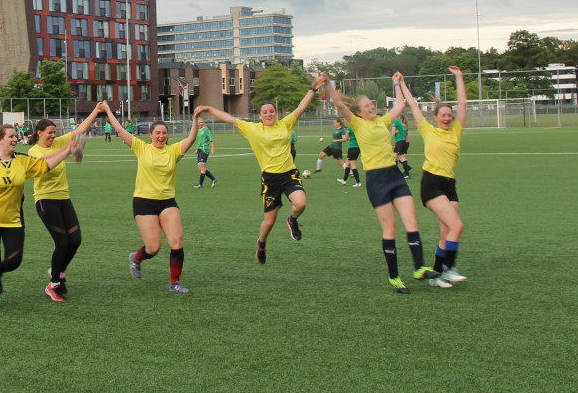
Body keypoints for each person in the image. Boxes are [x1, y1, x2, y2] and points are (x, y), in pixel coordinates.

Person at [324, 73, 435, 294]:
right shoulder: (356, 124)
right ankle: (394, 277)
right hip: (376, 180)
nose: (371, 106)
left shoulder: (383, 121)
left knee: (411, 221)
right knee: (390, 229)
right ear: (358, 112)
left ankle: (419, 267)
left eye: (371, 103)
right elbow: (338, 102)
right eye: (366, 105)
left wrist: (397, 84)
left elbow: (401, 104)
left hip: (394, 176)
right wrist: (327, 83)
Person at [197, 74, 326, 265]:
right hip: (270, 179)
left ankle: (292, 220)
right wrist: (210, 109)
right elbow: (230, 119)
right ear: (259, 116)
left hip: (289, 174)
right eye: (265, 112)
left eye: (271, 111)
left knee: (300, 204)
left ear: (276, 113)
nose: (269, 114)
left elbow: (301, 107)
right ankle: (262, 243)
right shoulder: (253, 129)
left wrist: (313, 88)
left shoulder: (285, 124)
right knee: (269, 222)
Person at [0, 124, 77, 311]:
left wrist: (67, 150)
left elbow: (45, 166)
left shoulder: (22, 160)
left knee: (14, 261)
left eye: (16, 136)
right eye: (11, 136)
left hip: (13, 219)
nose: (15, 139)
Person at [102, 104, 198, 294]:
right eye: (158, 133)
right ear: (151, 135)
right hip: (144, 201)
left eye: (164, 133)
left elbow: (191, 138)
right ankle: (137, 258)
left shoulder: (173, 151)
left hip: (167, 202)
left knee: (177, 242)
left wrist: (195, 117)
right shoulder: (141, 147)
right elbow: (120, 129)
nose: (161, 136)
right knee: (153, 248)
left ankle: (174, 283)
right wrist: (107, 110)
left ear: (167, 135)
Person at [396, 67, 469, 288]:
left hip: (449, 184)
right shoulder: (428, 130)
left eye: (449, 115)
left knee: (447, 231)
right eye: (443, 115)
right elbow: (414, 106)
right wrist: (401, 83)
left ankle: (436, 276)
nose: (447, 118)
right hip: (431, 183)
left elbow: (463, 104)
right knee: (457, 226)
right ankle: (449, 269)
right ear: (436, 117)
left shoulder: (456, 130)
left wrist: (459, 77)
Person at [29, 105, 106, 301]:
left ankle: (58, 271)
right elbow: (45, 162)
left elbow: (80, 130)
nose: (53, 136)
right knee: (62, 242)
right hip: (45, 200)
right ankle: (53, 284)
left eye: (55, 133)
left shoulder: (58, 142)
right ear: (39, 133)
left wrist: (96, 111)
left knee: (75, 240)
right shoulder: (33, 151)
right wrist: (67, 149)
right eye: (49, 133)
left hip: (64, 198)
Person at [193, 117, 218, 188]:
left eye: (201, 122)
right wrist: (197, 149)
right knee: (200, 168)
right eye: (199, 123)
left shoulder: (206, 130)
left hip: (205, 150)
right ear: (197, 124)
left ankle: (200, 184)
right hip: (200, 150)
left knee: (202, 167)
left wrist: (212, 149)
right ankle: (214, 178)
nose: (200, 123)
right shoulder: (198, 131)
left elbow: (211, 140)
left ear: (203, 122)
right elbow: (199, 141)